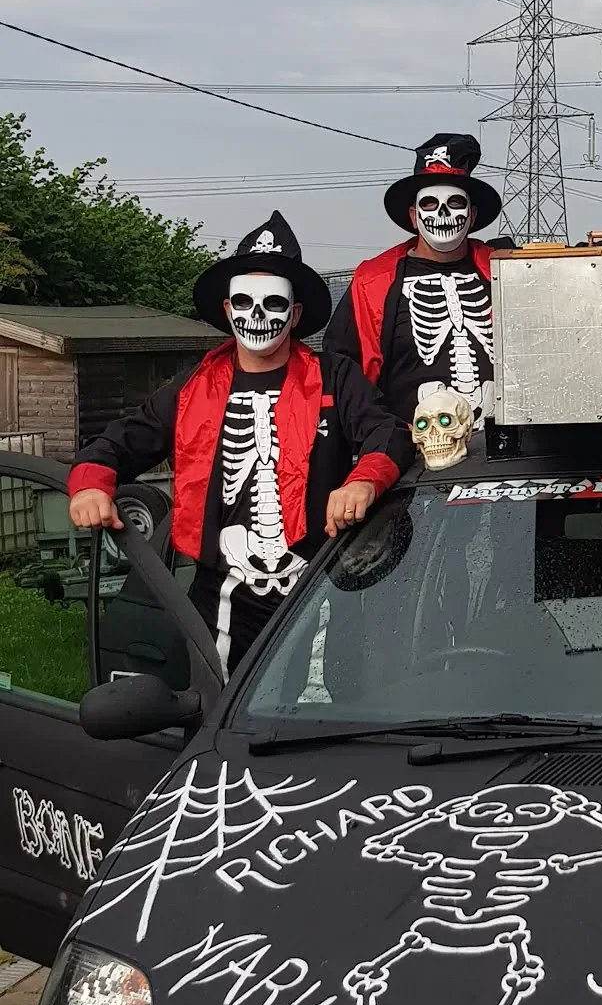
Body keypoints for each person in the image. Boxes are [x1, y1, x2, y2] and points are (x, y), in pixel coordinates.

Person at [68, 212, 410, 676]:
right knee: (221, 714)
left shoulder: (335, 376)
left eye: (274, 303)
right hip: (222, 597)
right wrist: (91, 484)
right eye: (245, 303)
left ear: (296, 313)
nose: (258, 316)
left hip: (319, 587)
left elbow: (388, 432)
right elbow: (122, 441)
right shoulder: (193, 387)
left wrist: (364, 482)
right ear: (228, 309)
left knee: (323, 714)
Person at [323, 133, 499, 428]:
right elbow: (344, 376)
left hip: (503, 451)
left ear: (472, 214)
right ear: (414, 216)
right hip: (413, 452)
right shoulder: (373, 283)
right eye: (430, 204)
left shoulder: (501, 267)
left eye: (456, 202)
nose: (443, 213)